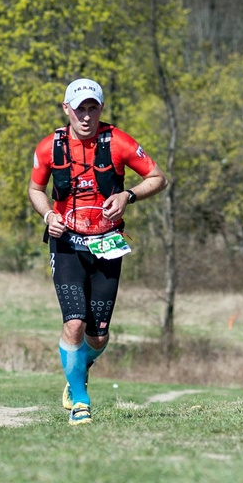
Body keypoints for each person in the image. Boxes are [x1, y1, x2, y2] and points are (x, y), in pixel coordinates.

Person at [28, 78, 168, 425]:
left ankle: (80, 367)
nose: (86, 116)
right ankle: (80, 402)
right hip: (67, 243)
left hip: (107, 244)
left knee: (98, 333)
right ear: (66, 109)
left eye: (93, 108)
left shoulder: (118, 142)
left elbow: (157, 177)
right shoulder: (49, 147)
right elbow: (35, 189)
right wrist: (48, 215)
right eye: (80, 108)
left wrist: (127, 196)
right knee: (73, 323)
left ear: (100, 109)